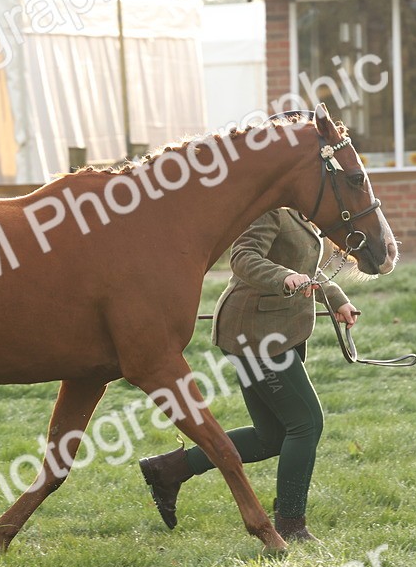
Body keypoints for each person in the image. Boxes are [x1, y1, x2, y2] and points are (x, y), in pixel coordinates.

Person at [138, 208, 359, 543]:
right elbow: (242, 257)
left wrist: (336, 299)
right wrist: (283, 277)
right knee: (306, 423)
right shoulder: (270, 210)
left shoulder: (300, 213)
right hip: (254, 335)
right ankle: (291, 523)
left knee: (271, 435)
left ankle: (169, 470)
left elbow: (305, 269)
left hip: (271, 331)